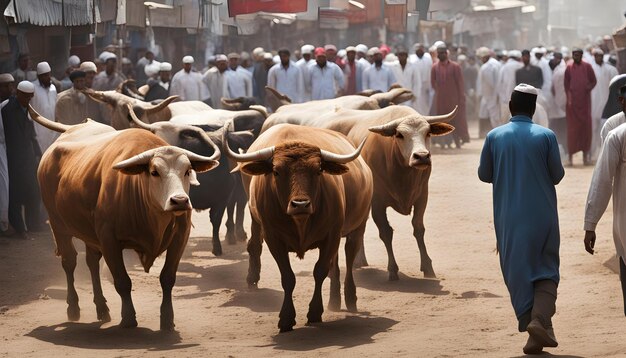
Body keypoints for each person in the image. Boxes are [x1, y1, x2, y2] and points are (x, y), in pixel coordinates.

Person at [478, 83, 564, 355]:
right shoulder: (547, 136)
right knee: (547, 269)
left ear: (511, 107)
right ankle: (539, 326)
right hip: (544, 217)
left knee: (517, 273)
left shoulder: (494, 136)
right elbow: (557, 176)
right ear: (534, 108)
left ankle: (533, 322)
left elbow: (484, 174)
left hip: (509, 219)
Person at [583, 84, 626, 317]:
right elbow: (604, 180)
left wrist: (590, 225)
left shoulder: (617, 135)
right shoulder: (614, 130)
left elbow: (601, 181)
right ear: (620, 101)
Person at [2, 81, 45, 239]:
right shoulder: (7, 109)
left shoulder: (28, 108)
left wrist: (39, 154)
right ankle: (20, 229)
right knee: (16, 195)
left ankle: (33, 224)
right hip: (13, 158)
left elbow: (32, 135)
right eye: (26, 97)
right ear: (18, 94)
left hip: (28, 157)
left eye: (30, 97)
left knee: (33, 191)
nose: (28, 99)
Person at [431, 43, 469, 148]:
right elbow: (433, 83)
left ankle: (457, 143)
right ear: (437, 54)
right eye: (440, 53)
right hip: (441, 100)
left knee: (456, 120)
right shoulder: (434, 67)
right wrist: (441, 92)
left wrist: (461, 97)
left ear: (447, 54)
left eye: (443, 53)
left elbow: (460, 83)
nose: (442, 55)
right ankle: (444, 143)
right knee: (442, 121)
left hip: (454, 99)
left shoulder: (455, 66)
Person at [564, 47, 597, 166]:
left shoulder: (587, 67)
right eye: (574, 55)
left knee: (585, 130)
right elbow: (566, 86)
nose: (575, 57)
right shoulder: (568, 68)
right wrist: (569, 100)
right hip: (572, 106)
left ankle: (586, 157)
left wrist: (588, 88)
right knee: (572, 131)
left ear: (581, 55)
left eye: (577, 55)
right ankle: (570, 158)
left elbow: (593, 81)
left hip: (585, 104)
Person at [590, 48, 619, 160]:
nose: (598, 57)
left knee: (606, 128)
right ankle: (592, 154)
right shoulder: (590, 68)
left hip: (607, 104)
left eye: (600, 55)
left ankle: (605, 153)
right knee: (593, 129)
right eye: (596, 55)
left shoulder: (611, 69)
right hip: (593, 103)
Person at [30, 62, 58, 153]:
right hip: (39, 129)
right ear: (39, 77)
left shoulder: (53, 88)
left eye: (49, 74)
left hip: (53, 128)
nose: (48, 77)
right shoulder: (33, 88)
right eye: (45, 75)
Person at [476, 47, 501, 131]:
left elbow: (491, 83)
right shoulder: (496, 63)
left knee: (494, 117)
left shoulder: (486, 67)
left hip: (490, 95)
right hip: (495, 95)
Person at [409, 43, 433, 115]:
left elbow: (430, 70)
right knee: (416, 102)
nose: (419, 51)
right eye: (418, 49)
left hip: (426, 83)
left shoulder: (428, 58)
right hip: (415, 84)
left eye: (421, 49)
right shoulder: (411, 58)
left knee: (426, 102)